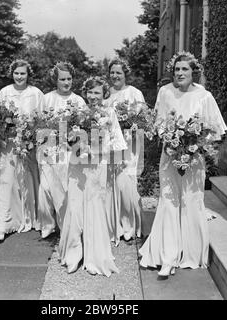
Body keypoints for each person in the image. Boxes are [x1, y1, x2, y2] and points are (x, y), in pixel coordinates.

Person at [139, 52, 227, 277]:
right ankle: (167, 257)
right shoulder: (165, 92)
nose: (179, 73)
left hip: (194, 159)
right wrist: (168, 138)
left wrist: (196, 144)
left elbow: (215, 130)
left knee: (191, 200)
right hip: (169, 155)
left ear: (193, 71)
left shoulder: (204, 96)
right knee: (169, 201)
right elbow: (158, 122)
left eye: (184, 69)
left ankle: (191, 252)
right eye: (177, 69)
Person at [58, 76, 126, 276]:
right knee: (75, 207)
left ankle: (94, 254)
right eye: (90, 92)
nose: (93, 96)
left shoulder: (109, 113)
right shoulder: (77, 112)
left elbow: (118, 142)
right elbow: (64, 138)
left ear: (104, 94)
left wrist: (98, 147)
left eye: (97, 92)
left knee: (94, 205)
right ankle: (73, 253)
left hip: (97, 165)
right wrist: (75, 144)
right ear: (85, 93)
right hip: (77, 166)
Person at [0, 59, 43, 241]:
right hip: (8, 143)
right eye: (16, 73)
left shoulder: (35, 93)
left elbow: (41, 118)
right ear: (12, 74)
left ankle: (29, 217)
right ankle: (3, 223)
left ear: (28, 75)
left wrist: (31, 133)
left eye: (23, 73)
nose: (19, 77)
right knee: (6, 179)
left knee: (26, 178)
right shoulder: (5, 92)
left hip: (27, 143)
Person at [38, 61, 86, 238]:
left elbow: (84, 126)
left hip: (68, 152)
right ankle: (47, 223)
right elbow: (39, 123)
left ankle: (66, 224)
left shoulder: (78, 100)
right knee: (45, 188)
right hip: (49, 150)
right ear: (55, 80)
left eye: (69, 79)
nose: (66, 83)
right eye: (62, 79)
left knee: (65, 189)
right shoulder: (47, 98)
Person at [106, 58, 146, 244]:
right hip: (110, 146)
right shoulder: (106, 94)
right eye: (112, 72)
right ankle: (116, 225)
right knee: (113, 184)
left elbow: (143, 119)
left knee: (127, 184)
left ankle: (130, 225)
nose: (115, 76)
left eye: (118, 72)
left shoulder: (134, 93)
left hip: (129, 146)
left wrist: (129, 124)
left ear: (125, 74)